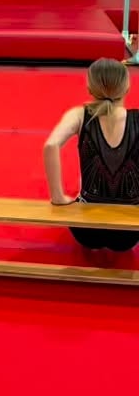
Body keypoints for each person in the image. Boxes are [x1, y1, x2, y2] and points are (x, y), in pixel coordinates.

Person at [43, 57, 139, 251]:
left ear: (89, 88)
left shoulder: (80, 114)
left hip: (85, 229)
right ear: (126, 88)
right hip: (129, 230)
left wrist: (58, 197)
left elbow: (51, 145)